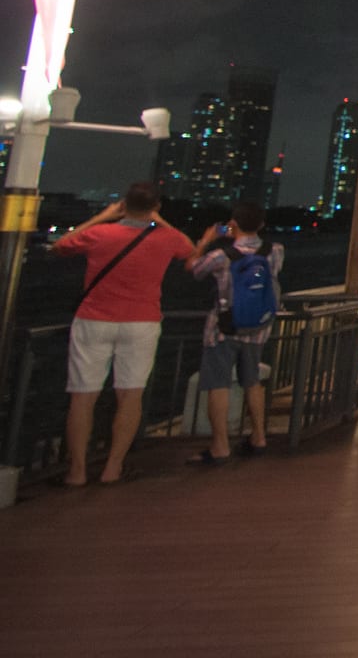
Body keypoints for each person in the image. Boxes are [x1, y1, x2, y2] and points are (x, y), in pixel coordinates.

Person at [52, 182, 196, 486]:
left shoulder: (101, 234)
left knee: (82, 397)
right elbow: (189, 248)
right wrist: (159, 219)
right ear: (155, 207)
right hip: (141, 322)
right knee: (130, 395)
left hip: (93, 320)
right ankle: (113, 467)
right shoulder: (165, 238)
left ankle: (76, 471)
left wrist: (102, 217)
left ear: (123, 205)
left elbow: (62, 244)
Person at [188, 202, 284, 465]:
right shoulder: (274, 251)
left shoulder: (221, 256)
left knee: (218, 385)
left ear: (233, 224)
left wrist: (206, 241)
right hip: (258, 329)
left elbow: (194, 269)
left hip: (223, 328)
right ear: (262, 225)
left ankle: (220, 445)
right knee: (252, 381)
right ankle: (259, 436)